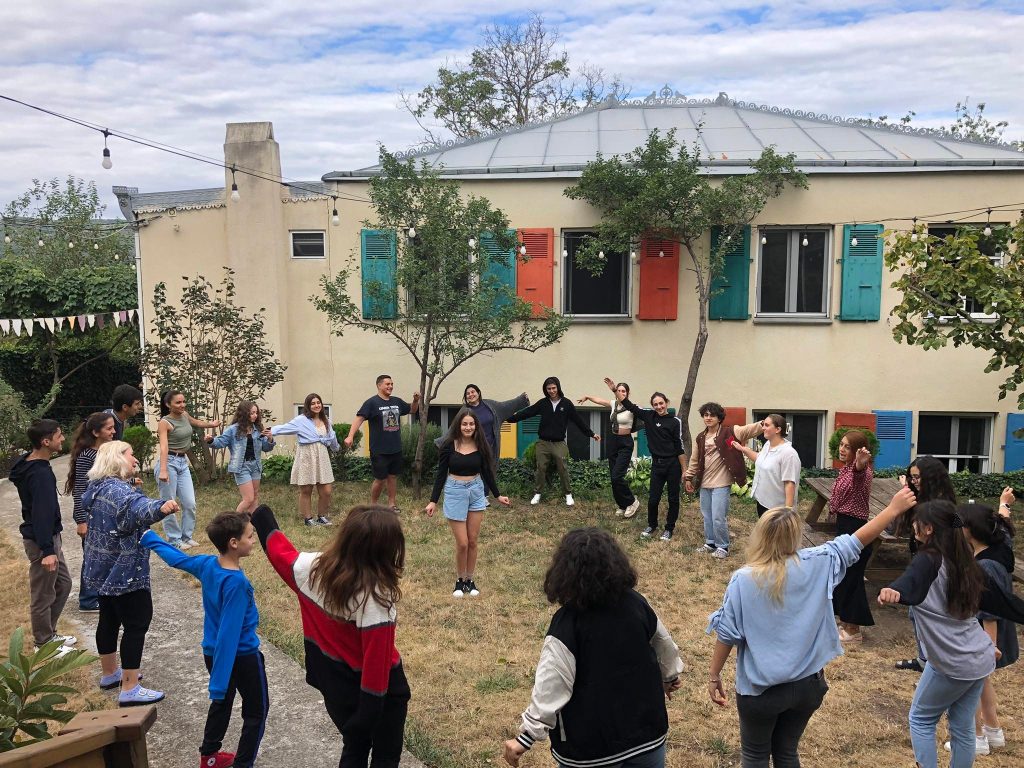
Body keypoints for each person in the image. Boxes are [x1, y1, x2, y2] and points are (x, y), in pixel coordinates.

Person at [706, 488, 917, 768]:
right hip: (808, 687)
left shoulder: (743, 580)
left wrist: (714, 674)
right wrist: (892, 509)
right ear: (795, 536)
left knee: (756, 756)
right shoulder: (820, 562)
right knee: (787, 753)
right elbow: (858, 540)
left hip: (760, 691)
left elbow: (728, 634)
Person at [503, 528, 684, 768]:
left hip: (590, 748)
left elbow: (552, 683)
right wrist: (669, 677)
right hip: (646, 734)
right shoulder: (637, 604)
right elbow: (664, 645)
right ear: (616, 564)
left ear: (564, 572)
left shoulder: (567, 624)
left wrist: (526, 737)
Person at [251, 504, 410, 768]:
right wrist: (367, 715)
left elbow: (280, 553)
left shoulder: (312, 568)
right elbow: (377, 666)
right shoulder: (376, 598)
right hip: (379, 699)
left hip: (337, 689)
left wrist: (261, 515)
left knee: (354, 750)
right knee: (385, 756)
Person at [143, 512, 267, 768]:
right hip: (240, 655)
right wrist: (219, 683)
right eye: (250, 536)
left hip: (212, 653)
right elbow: (229, 635)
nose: (253, 540)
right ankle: (243, 764)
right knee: (256, 712)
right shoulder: (237, 584)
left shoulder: (208, 565)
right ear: (234, 543)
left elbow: (177, 559)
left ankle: (209, 758)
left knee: (221, 705)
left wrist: (149, 537)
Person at [877, 499, 994, 768]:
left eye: (916, 521)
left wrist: (895, 590)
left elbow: (911, 580)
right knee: (963, 727)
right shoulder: (961, 557)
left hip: (952, 661)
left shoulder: (928, 558)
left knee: (921, 718)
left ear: (928, 528)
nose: (912, 525)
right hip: (979, 657)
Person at [81, 440, 179, 705]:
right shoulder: (120, 493)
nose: (135, 459)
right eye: (131, 455)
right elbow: (137, 510)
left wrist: (135, 488)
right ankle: (130, 687)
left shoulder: (97, 487)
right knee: (136, 624)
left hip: (102, 570)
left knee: (108, 620)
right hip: (124, 571)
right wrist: (162, 507)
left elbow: (125, 510)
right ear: (117, 458)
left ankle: (110, 673)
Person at [423, 408, 512, 598]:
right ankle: (459, 580)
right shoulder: (448, 445)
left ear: (476, 426)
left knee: (472, 541)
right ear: (458, 425)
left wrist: (497, 495)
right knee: (462, 543)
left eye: (471, 424)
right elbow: (441, 474)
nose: (468, 427)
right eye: (465, 424)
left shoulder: (481, 444)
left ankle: (469, 580)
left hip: (476, 491)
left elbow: (487, 472)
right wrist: (433, 501)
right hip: (455, 491)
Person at [952, 502, 1018, 757]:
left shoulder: (984, 566)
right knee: (982, 683)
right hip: (992, 634)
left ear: (971, 529)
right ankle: (994, 731)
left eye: (960, 523)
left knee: (969, 686)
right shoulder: (997, 551)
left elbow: (989, 613)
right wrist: (1003, 506)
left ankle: (976, 737)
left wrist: (988, 648)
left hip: (985, 635)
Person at [11, 419, 75, 653]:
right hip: (41, 541)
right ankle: (43, 643)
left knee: (64, 584)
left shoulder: (31, 462)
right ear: (46, 441)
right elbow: (41, 514)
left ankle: (50, 632)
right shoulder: (39, 474)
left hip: (49, 538)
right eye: (59, 436)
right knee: (42, 593)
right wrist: (47, 550)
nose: (63, 439)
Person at [893, 456, 957, 672]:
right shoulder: (923, 497)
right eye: (911, 478)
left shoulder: (943, 504)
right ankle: (924, 660)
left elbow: (956, 530)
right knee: (916, 611)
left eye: (917, 477)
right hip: (923, 559)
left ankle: (932, 662)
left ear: (931, 476)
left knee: (924, 611)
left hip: (936, 565)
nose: (914, 481)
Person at [684, 404, 763, 558]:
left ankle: (723, 547)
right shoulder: (700, 437)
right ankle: (710, 542)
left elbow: (749, 429)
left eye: (712, 415)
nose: (708, 418)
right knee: (707, 515)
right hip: (704, 483)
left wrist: (764, 424)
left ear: (719, 418)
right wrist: (688, 477)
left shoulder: (730, 432)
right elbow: (694, 459)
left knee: (718, 516)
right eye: (705, 415)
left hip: (721, 483)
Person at [507, 376, 599, 507]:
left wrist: (591, 434)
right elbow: (527, 412)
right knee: (540, 468)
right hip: (543, 442)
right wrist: (509, 419)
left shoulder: (566, 404)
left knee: (562, 468)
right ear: (546, 390)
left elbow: (578, 421)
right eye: (548, 388)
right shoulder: (543, 403)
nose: (551, 391)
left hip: (559, 443)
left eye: (553, 388)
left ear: (558, 387)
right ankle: (537, 493)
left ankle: (568, 494)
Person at [65, 411, 118, 612]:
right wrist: (81, 519)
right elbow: (80, 488)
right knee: (93, 557)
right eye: (109, 428)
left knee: (106, 555)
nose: (114, 431)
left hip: (106, 514)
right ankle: (88, 600)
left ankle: (102, 594)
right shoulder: (87, 455)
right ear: (96, 432)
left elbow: (108, 479)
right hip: (91, 516)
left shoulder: (106, 452)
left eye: (113, 427)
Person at [345, 375, 421, 511]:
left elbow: (412, 410)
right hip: (379, 449)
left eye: (392, 384)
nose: (390, 386)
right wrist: (350, 436)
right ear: (379, 385)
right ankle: (373, 505)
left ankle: (392, 504)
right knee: (380, 479)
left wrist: (415, 401)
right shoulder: (371, 403)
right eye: (387, 384)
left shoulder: (397, 401)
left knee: (392, 477)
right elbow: (359, 419)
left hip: (395, 448)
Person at [155, 390, 219, 549]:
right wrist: (163, 470)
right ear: (168, 404)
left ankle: (186, 536)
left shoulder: (184, 415)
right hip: (168, 462)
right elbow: (163, 447)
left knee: (189, 503)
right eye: (178, 402)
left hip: (182, 463)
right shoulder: (165, 422)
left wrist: (211, 424)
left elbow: (196, 422)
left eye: (184, 401)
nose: (182, 405)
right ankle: (175, 540)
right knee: (169, 504)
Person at [618, 392, 685, 541]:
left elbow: (679, 447)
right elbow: (630, 406)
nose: (659, 406)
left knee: (673, 499)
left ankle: (669, 528)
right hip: (657, 465)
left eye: (661, 403)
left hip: (673, 465)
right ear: (653, 406)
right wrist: (615, 390)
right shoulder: (649, 416)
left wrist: (684, 470)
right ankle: (652, 525)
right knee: (653, 499)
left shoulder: (675, 421)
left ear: (666, 402)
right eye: (655, 404)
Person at [828, 430, 874, 642]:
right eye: (842, 445)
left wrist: (860, 464)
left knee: (852, 578)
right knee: (844, 576)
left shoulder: (861, 472)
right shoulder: (845, 469)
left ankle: (854, 630)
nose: (842, 449)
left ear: (858, 451)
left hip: (855, 528)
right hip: (844, 525)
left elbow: (858, 475)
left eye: (848, 446)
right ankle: (846, 622)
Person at [272, 393, 340, 526]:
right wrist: (270, 431)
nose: (316, 405)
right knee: (306, 490)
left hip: (322, 458)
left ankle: (322, 516)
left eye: (318, 402)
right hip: (306, 457)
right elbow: (285, 428)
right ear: (308, 406)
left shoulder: (326, 421)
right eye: (313, 403)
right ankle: (308, 519)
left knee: (326, 491)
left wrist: (337, 447)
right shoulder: (301, 420)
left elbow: (332, 438)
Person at [578, 378, 641, 518]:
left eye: (623, 391)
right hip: (613, 440)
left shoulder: (631, 407)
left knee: (617, 475)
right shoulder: (613, 404)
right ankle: (622, 505)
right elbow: (600, 401)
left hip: (625, 442)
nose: (620, 393)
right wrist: (588, 397)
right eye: (618, 390)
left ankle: (632, 501)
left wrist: (613, 389)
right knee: (613, 476)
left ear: (628, 393)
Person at [207, 401, 276, 514]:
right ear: (244, 413)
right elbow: (220, 442)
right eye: (252, 413)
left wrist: (270, 439)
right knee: (248, 498)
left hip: (256, 466)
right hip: (241, 467)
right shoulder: (233, 429)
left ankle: (253, 524)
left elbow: (266, 447)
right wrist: (211, 440)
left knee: (254, 497)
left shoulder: (258, 429)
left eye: (256, 413)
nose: (255, 415)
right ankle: (235, 522)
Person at [730, 414, 801, 516]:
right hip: (763, 502)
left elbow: (789, 483)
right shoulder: (768, 444)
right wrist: (743, 449)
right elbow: (760, 459)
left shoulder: (788, 454)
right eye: (763, 425)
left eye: (767, 425)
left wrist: (788, 512)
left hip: (777, 509)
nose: (763, 428)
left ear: (777, 429)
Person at [461, 384, 528, 461]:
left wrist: (521, 400)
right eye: (468, 393)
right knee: (474, 470)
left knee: (490, 470)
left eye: (473, 392)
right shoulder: (464, 410)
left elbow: (504, 406)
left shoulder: (489, 405)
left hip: (491, 448)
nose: (470, 395)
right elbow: (454, 428)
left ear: (478, 393)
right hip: (473, 448)